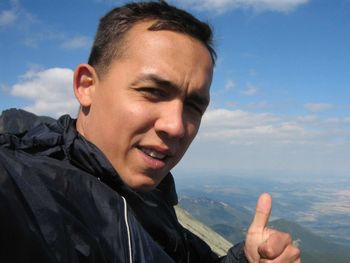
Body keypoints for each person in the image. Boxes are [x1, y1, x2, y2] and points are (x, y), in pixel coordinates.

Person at [0, 1, 301, 262]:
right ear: (86, 86)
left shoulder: (151, 196)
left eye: (194, 105)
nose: (176, 126)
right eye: (153, 91)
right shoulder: (25, 190)